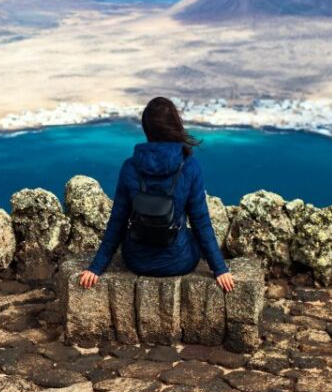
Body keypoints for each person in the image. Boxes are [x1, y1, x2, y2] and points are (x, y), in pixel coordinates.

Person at [79, 97, 235, 292]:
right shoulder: (189, 166)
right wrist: (220, 269)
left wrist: (96, 268)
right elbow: (200, 221)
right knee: (191, 234)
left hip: (136, 260)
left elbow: (117, 221)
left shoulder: (130, 167)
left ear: (146, 129)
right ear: (176, 125)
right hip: (179, 261)